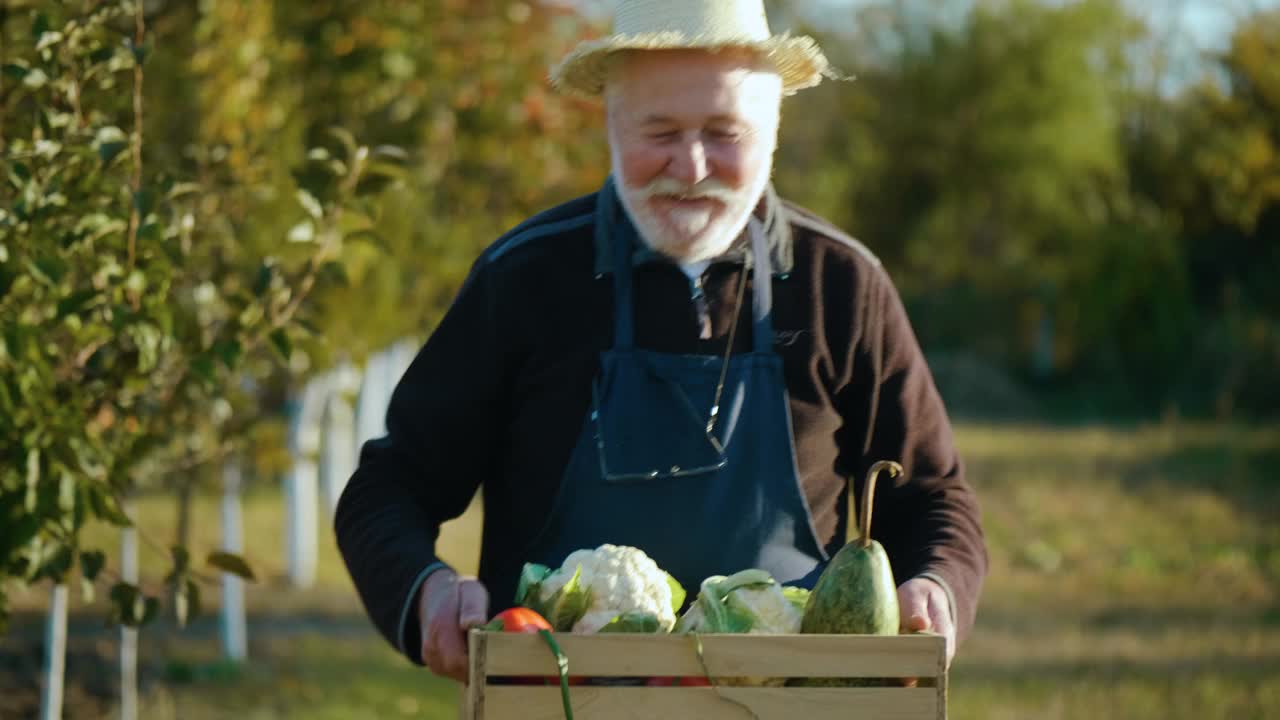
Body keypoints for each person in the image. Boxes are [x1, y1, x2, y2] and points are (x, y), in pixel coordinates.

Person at [335, 0, 987, 684]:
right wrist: (426, 593)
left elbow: (934, 496)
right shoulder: (524, 280)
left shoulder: (841, 285)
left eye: (723, 131)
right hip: (557, 703)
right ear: (613, 126)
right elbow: (389, 487)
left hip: (795, 705)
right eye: (661, 130)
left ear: (771, 132)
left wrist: (937, 587)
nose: (692, 163)